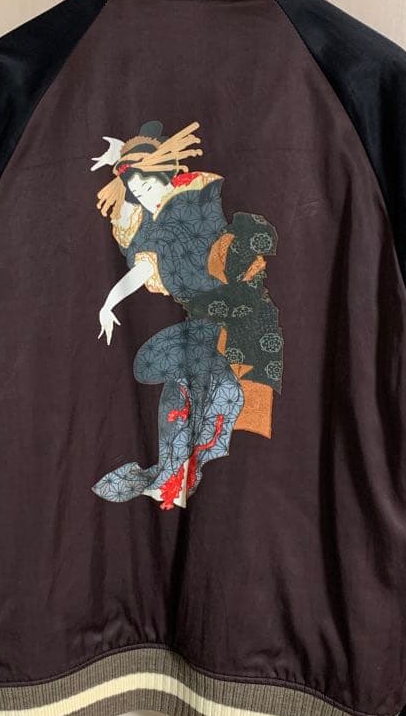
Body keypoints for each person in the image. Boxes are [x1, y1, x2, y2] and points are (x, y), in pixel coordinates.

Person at [91, 119, 284, 510]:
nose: (142, 196)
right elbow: (141, 269)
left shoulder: (193, 200)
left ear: (165, 175)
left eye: (147, 185)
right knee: (154, 366)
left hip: (238, 315)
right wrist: (109, 303)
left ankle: (181, 472)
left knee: (197, 382)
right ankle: (173, 474)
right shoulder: (150, 231)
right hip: (201, 323)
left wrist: (127, 158)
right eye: (135, 192)